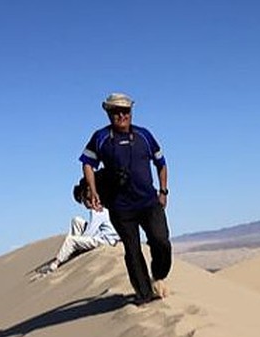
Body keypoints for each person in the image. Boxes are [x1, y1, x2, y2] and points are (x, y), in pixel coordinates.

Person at [79, 92, 172, 303]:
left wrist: (163, 191)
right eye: (116, 111)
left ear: (131, 112)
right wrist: (93, 190)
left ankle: (158, 275)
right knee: (132, 250)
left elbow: (161, 163)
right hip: (121, 208)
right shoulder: (101, 137)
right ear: (108, 113)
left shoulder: (144, 136)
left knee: (161, 241)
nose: (122, 115)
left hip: (149, 202)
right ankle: (144, 294)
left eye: (125, 111)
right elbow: (87, 163)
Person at [36, 179, 120, 275]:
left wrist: (76, 241)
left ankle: (55, 264)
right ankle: (72, 251)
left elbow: (89, 233)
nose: (83, 204)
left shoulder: (97, 210)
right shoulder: (100, 206)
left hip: (106, 240)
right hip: (103, 236)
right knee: (76, 221)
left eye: (83, 200)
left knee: (71, 240)